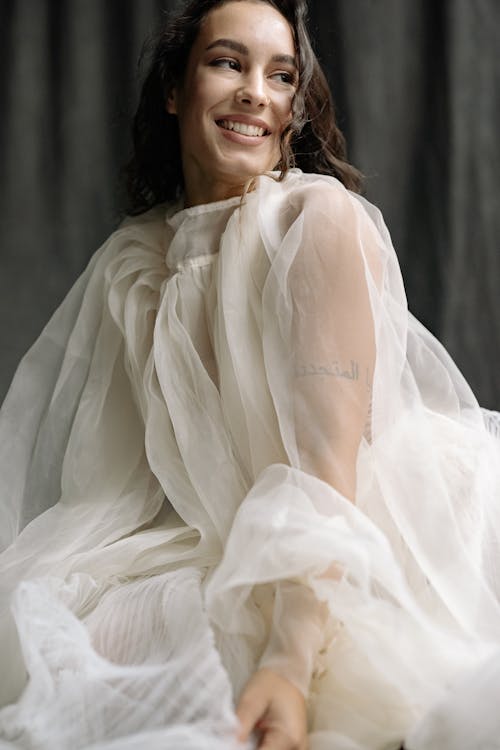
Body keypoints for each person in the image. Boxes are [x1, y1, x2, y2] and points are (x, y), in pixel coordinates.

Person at [0, 0, 499, 748]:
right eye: (227, 62)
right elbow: (111, 490)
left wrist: (290, 663)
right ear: (176, 89)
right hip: (213, 541)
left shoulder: (313, 223)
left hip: (359, 527)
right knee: (58, 647)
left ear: (295, 107)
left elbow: (330, 478)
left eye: (281, 75)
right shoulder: (133, 262)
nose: (254, 93)